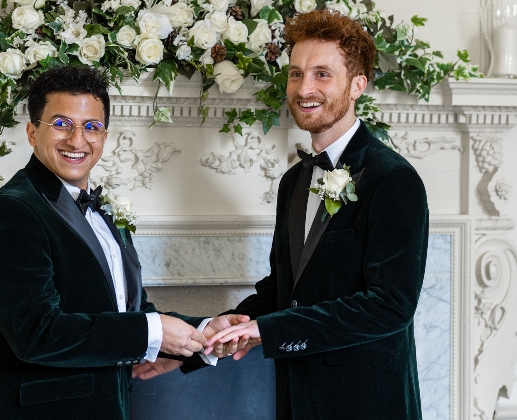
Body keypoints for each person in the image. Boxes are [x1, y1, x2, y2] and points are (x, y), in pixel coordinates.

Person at [138, 9, 429, 420]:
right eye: (296, 74)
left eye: (322, 74)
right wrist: (196, 346)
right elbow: (281, 293)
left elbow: (390, 305)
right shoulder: (294, 181)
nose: (304, 87)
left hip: (367, 402)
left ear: (357, 85)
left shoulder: (394, 179)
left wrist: (269, 331)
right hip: (296, 400)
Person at [0, 65, 247, 419]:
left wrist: (203, 330)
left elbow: (128, 316)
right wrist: (154, 331)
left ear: (104, 135)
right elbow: (36, 333)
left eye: (91, 127)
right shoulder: (12, 211)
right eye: (61, 123)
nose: (77, 140)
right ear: (30, 131)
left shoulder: (106, 211)